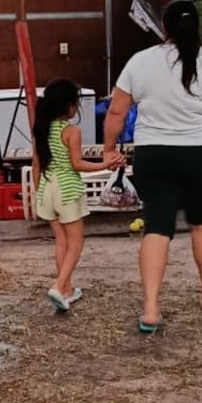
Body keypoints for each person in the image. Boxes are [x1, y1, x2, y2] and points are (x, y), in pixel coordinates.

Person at [103, 0, 202, 334]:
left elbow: (116, 111)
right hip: (201, 154)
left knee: (157, 228)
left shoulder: (140, 62)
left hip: (154, 155)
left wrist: (109, 148)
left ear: (165, 28)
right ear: (196, 27)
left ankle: (151, 309)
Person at [33, 78, 124, 312]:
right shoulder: (71, 131)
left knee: (61, 242)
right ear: (68, 106)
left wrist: (38, 193)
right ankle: (59, 285)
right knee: (75, 244)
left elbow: (36, 165)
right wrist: (105, 165)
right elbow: (77, 164)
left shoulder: (41, 128)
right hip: (67, 190)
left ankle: (67, 290)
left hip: (46, 189)